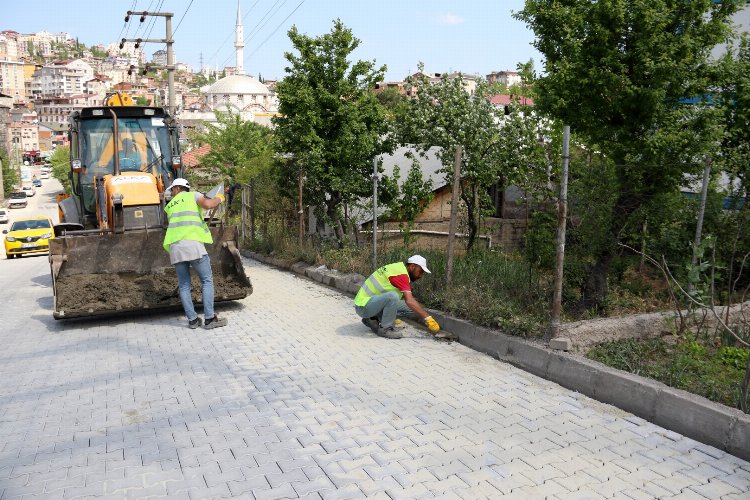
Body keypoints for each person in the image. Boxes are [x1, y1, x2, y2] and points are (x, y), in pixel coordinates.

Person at [163, 177, 228, 329]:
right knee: (206, 280)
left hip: (176, 248)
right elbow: (208, 204)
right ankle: (210, 319)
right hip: (192, 245)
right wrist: (219, 197)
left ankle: (192, 320)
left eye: (172, 189)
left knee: (184, 285)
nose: (172, 192)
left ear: (178, 188)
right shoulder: (193, 195)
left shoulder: (169, 205)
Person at [354, 255, 441, 339]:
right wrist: (428, 319)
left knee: (412, 307)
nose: (421, 275)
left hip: (372, 304)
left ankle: (373, 318)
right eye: (420, 271)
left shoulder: (400, 270)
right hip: (363, 306)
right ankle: (386, 329)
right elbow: (409, 301)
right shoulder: (401, 275)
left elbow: (409, 302)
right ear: (412, 266)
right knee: (394, 297)